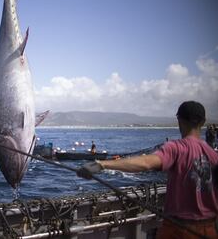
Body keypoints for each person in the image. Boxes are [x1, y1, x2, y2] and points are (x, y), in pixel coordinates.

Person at [77, 101, 218, 239]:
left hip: (178, 230)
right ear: (203, 122)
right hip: (209, 229)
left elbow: (145, 163)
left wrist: (102, 164)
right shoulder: (214, 155)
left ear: (179, 120)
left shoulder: (176, 148)